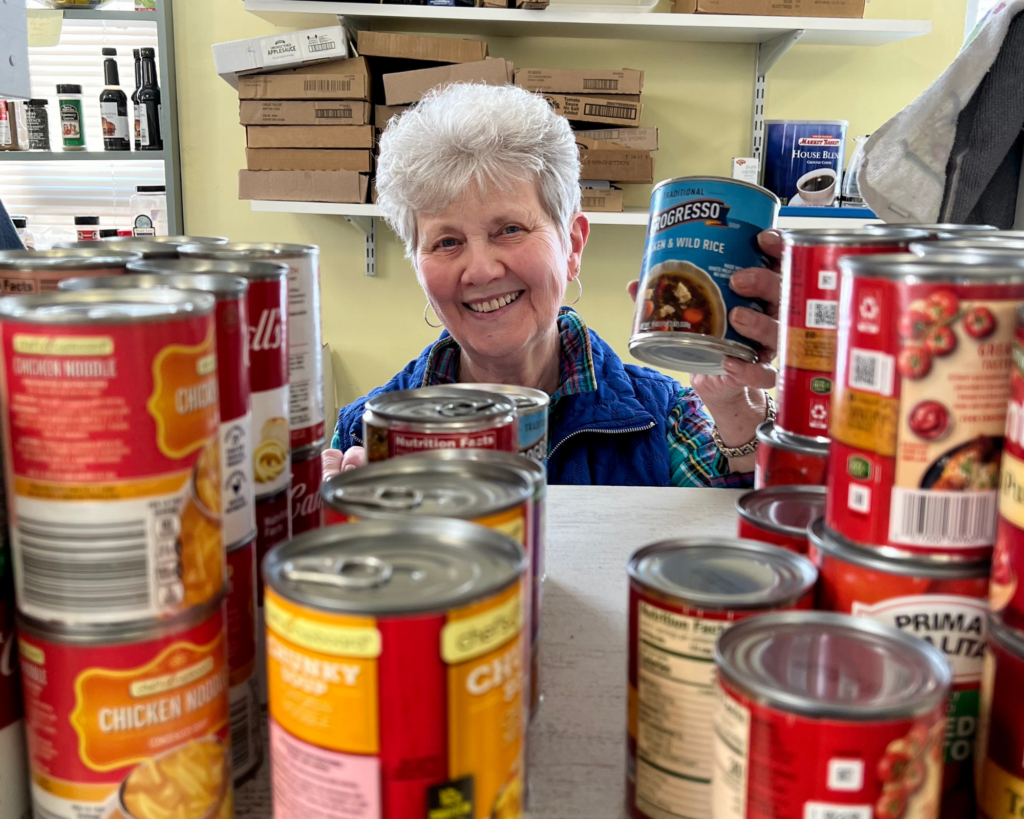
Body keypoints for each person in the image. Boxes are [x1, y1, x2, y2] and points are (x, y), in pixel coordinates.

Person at [325, 83, 782, 487]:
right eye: (447, 241)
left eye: (510, 230)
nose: (481, 270)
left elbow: (763, 547)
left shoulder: (666, 417)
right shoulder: (364, 431)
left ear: (573, 246)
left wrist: (736, 405)